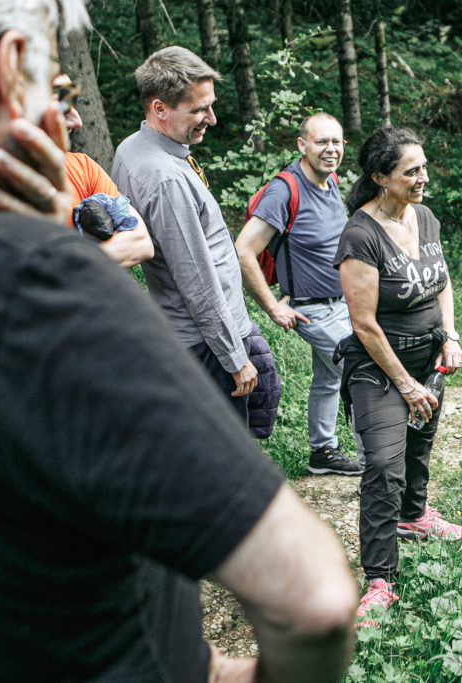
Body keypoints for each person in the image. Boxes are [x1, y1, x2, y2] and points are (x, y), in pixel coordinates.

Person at [0, 2, 357, 680]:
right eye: (56, 85)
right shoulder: (40, 284)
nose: (75, 116)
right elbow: (316, 599)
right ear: (7, 69)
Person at [333, 127, 462, 626]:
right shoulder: (360, 236)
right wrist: (406, 387)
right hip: (378, 367)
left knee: (418, 446)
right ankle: (380, 579)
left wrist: (450, 336)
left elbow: (442, 280)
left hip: (428, 359)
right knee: (383, 465)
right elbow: (364, 323)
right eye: (411, 171)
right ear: (380, 178)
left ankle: (415, 516)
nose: (422, 178)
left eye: (423, 167)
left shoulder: (425, 218)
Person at [112, 46, 280, 438]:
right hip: (208, 345)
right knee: (228, 459)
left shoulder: (133, 149)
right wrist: (234, 358)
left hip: (211, 330)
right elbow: (195, 279)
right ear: (160, 108)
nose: (212, 119)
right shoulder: (164, 178)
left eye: (211, 105)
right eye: (199, 110)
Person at [235, 112, 363, 476]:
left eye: (336, 142)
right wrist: (274, 305)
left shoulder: (331, 180)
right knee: (364, 374)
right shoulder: (284, 189)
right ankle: (379, 469)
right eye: (321, 141)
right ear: (302, 145)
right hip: (314, 311)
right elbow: (243, 249)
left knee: (330, 378)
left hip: (341, 303)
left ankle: (322, 453)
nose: (330, 149)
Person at [53, 73, 154, 269]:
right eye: (61, 106)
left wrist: (60, 270)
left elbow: (140, 242)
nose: (77, 121)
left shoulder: (82, 167)